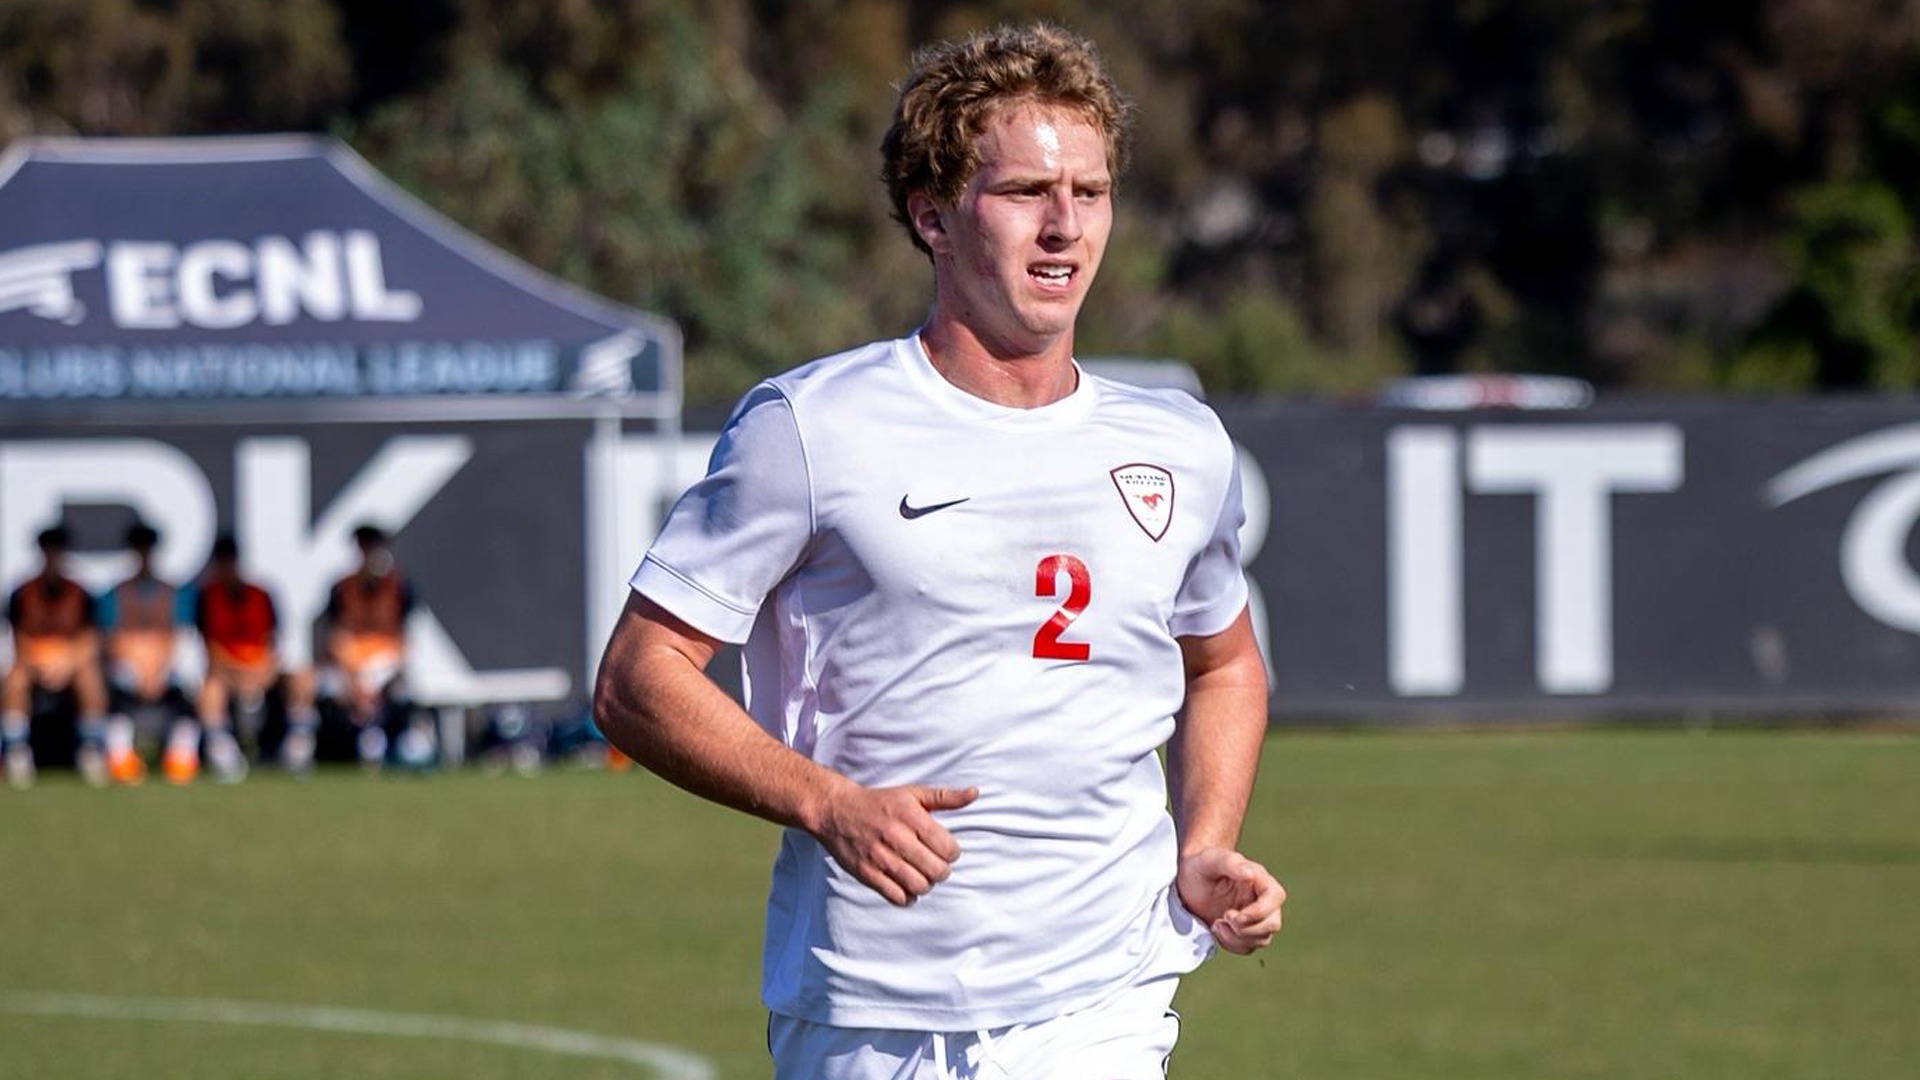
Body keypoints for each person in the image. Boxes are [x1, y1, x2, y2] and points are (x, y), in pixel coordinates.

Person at [592, 23, 1284, 1079]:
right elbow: (637, 678)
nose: (1064, 228)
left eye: (1089, 194)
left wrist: (1204, 848)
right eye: (1023, 194)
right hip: (869, 1011)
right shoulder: (811, 428)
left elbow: (1225, 663)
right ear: (933, 217)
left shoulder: (1178, 445)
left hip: (1103, 997)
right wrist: (824, 802)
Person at [194, 533, 319, 778]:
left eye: (230, 560)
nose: (227, 567)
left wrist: (263, 672)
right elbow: (208, 648)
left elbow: (274, 644)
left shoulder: (261, 595)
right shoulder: (208, 597)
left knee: (302, 677)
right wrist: (237, 675)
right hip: (227, 672)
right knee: (210, 690)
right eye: (222, 561)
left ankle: (298, 749)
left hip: (262, 670)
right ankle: (222, 751)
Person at [3, 525, 112, 787]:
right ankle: (16, 751)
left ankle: (91, 749)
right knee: (14, 678)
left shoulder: (80, 593)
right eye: (48, 551)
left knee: (90, 676)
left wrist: (66, 664)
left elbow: (89, 639)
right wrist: (39, 665)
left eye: (57, 551)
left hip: (71, 663)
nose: (53, 557)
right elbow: (18, 638)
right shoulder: (23, 592)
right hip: (33, 662)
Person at [95, 521, 195, 785]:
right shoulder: (116, 594)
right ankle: (119, 756)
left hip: (164, 665)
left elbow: (179, 637)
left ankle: (181, 756)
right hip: (131, 665)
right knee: (120, 682)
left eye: (148, 548)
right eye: (139, 548)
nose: (144, 555)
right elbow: (112, 640)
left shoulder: (173, 593)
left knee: (187, 681)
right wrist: (139, 670)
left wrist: (158, 671)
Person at [320, 523, 420, 769]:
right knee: (328, 687)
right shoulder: (342, 587)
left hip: (386, 661)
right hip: (350, 663)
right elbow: (337, 636)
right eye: (364, 546)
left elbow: (404, 637)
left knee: (400, 689)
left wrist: (388, 668)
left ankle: (400, 740)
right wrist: (351, 673)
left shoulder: (398, 586)